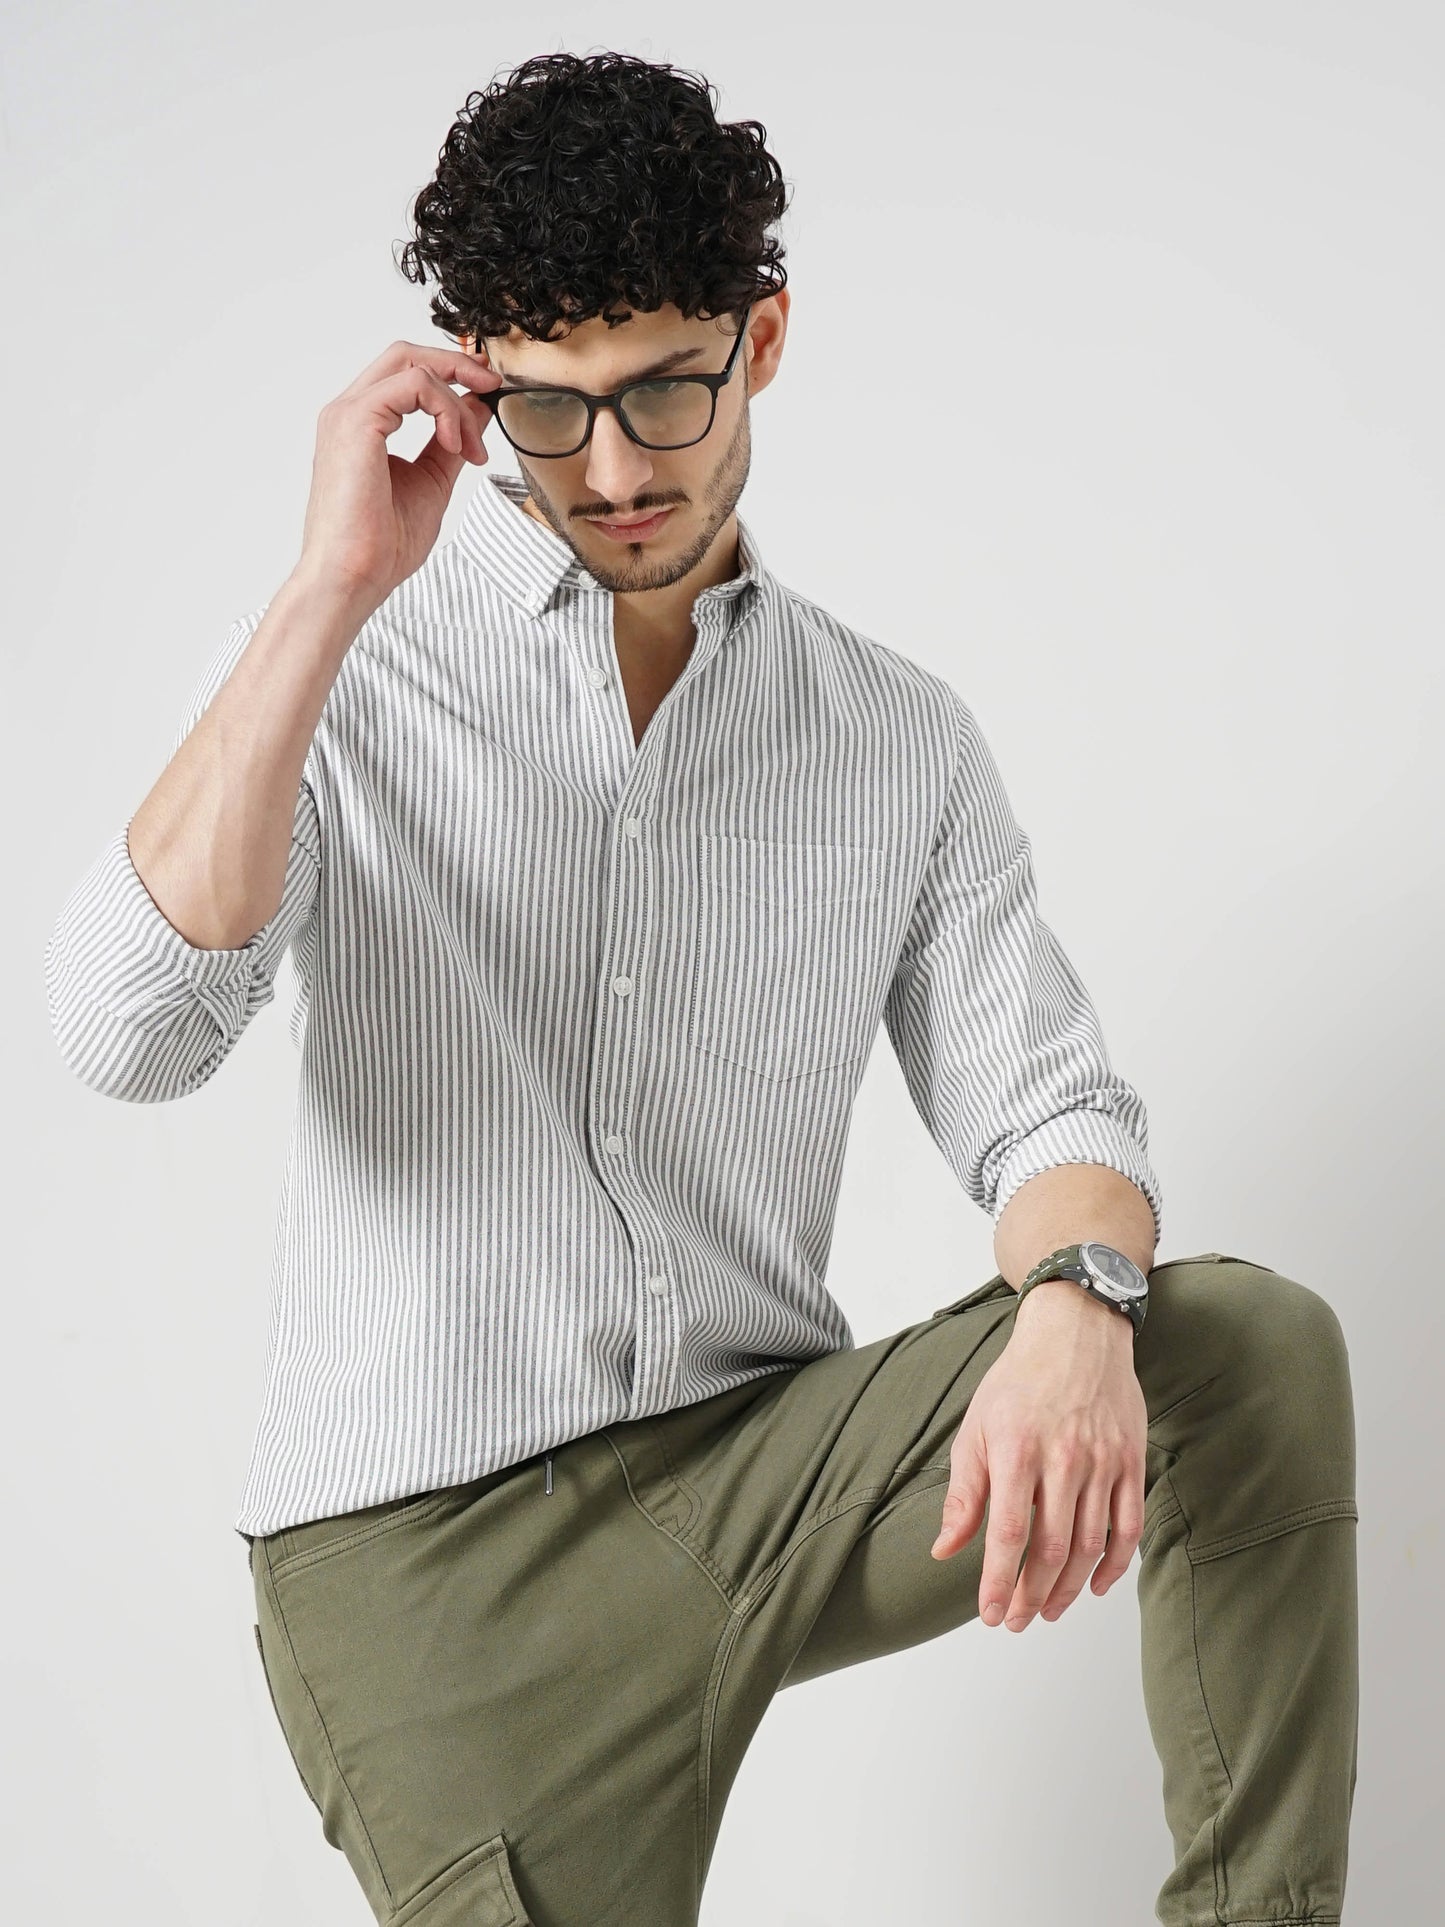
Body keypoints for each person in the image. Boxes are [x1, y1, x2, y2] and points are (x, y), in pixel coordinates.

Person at [43, 48, 1359, 1927]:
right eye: (546, 409)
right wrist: (326, 591)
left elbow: (1048, 1108)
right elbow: (125, 1035)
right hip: (435, 1567)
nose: (613, 470)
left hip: (759, 1475)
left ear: (765, 340)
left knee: (1231, 1342)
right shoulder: (340, 666)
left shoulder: (891, 739)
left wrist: (1079, 1296)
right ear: (473, 384)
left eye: (665, 387)